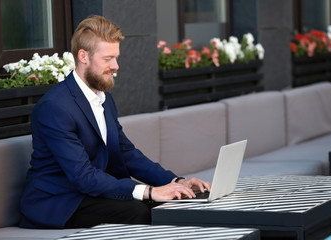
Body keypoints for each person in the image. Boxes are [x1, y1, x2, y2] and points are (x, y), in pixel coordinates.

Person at [19, 15, 211, 229]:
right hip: (59, 202)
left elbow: (126, 153)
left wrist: (176, 182)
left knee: (173, 202)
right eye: (108, 58)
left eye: (116, 58)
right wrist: (148, 191)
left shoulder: (103, 98)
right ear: (83, 56)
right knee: (138, 211)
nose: (116, 66)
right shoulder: (55, 107)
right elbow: (83, 176)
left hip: (90, 193)